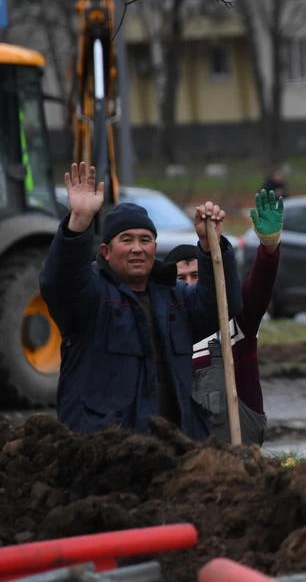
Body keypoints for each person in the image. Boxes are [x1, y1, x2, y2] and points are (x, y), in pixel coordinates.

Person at [39, 162, 243, 438]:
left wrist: (210, 248)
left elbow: (222, 304)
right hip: (107, 450)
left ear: (155, 248)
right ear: (106, 251)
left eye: (145, 240)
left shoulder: (176, 296)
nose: (137, 248)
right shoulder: (91, 295)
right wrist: (78, 224)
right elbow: (59, 284)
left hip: (177, 444)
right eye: (127, 239)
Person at [163, 189, 283, 447]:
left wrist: (269, 249)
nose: (190, 283)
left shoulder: (236, 318)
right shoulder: (165, 328)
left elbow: (260, 287)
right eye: (181, 279)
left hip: (239, 444)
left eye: (196, 275)